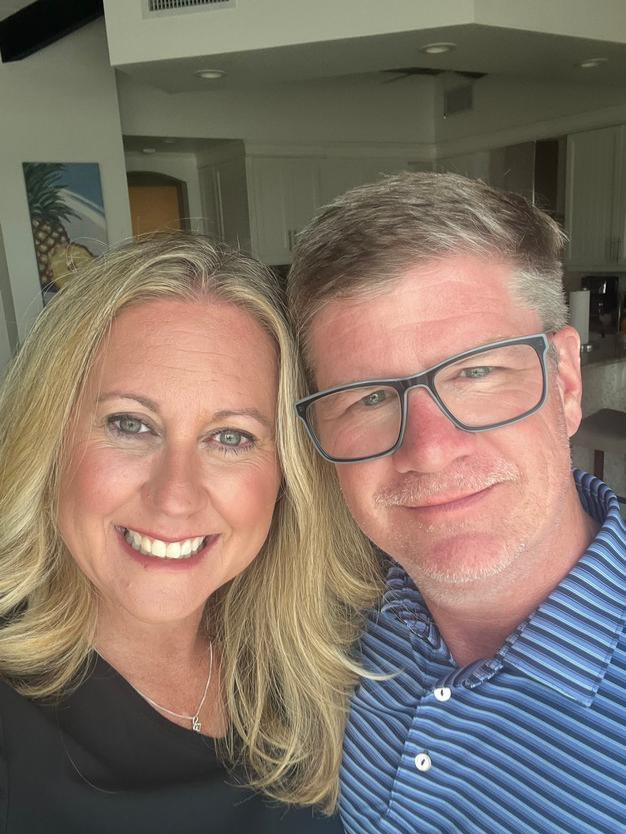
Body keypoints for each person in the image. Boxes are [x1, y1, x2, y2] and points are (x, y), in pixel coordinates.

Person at [0, 233, 381, 834]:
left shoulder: (341, 660)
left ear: (287, 474)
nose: (175, 495)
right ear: (50, 440)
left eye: (231, 437)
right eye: (130, 424)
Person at [287, 172, 626, 834]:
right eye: (370, 397)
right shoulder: (333, 613)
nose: (430, 450)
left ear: (564, 382)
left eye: (476, 372)